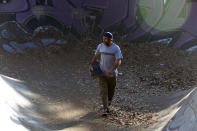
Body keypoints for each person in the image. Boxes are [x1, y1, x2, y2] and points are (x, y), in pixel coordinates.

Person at [89, 32, 123, 116]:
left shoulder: (116, 48)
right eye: (104, 38)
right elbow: (96, 56)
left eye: (107, 39)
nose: (105, 40)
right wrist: (91, 64)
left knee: (111, 92)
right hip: (102, 73)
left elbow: (119, 61)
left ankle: (109, 101)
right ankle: (105, 109)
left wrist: (112, 70)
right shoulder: (100, 46)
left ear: (111, 39)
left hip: (112, 74)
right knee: (103, 91)